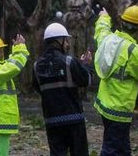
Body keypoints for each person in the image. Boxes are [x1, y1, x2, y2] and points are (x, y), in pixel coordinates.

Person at [93, 5, 138, 156]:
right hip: (120, 109)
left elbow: (100, 30)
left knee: (121, 147)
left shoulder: (108, 39)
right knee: (112, 149)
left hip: (104, 105)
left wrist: (104, 16)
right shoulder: (133, 50)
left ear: (122, 23)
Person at [32, 23, 94, 156]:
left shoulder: (36, 66)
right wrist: (87, 65)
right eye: (66, 40)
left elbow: (38, 88)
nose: (67, 44)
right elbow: (86, 80)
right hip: (74, 120)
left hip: (52, 121)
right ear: (59, 40)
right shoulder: (69, 61)